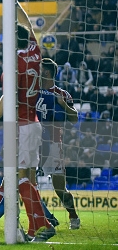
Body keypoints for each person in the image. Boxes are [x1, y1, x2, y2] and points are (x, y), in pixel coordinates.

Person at [0, 2, 55, 242]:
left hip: (22, 126)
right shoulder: (36, 52)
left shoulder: (13, 64)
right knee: (24, 176)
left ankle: (43, 225)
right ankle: (32, 226)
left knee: (20, 177)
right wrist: (17, 6)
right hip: (34, 123)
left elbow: (8, 98)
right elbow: (28, 25)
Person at [38, 58, 80, 229]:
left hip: (54, 145)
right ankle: (43, 218)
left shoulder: (61, 94)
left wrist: (63, 105)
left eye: (38, 69)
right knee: (24, 180)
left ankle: (73, 216)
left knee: (60, 190)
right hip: (33, 143)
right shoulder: (33, 91)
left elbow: (74, 118)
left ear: (46, 72)